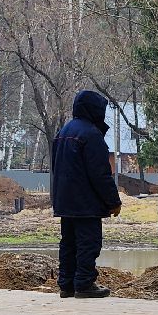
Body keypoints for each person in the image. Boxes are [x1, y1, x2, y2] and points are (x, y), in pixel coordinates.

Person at [50, 90, 122, 298]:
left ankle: (66, 284)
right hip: (86, 204)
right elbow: (100, 174)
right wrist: (113, 201)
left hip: (65, 201)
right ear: (95, 110)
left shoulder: (64, 131)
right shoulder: (91, 135)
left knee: (68, 243)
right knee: (88, 243)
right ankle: (83, 283)